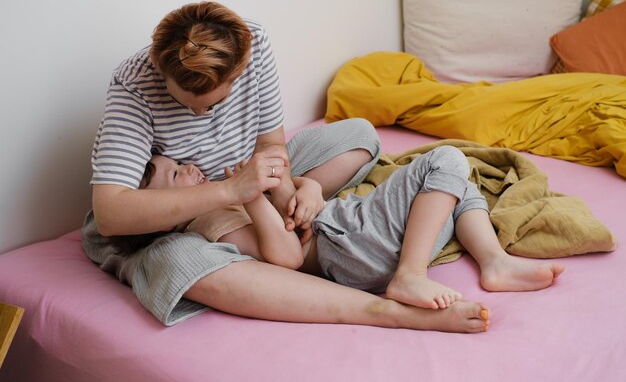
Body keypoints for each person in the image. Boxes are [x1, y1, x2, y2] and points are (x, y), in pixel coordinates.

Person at [82, 0, 489, 332]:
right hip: (185, 210)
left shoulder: (252, 44)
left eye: (217, 101)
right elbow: (112, 216)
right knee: (177, 263)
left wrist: (296, 188)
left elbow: (272, 148)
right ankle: (380, 311)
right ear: (159, 66)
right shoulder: (133, 88)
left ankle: (481, 257)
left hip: (250, 182)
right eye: (190, 101)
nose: (205, 114)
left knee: (358, 133)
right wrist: (231, 191)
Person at [140, 146, 564, 314]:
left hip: (345, 231)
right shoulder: (209, 221)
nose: (189, 169)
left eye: (179, 162)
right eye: (174, 176)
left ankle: (494, 262)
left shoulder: (224, 199)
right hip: (345, 246)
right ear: (165, 213)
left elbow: (293, 209)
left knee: (456, 185)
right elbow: (286, 256)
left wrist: (303, 187)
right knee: (446, 160)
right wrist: (250, 194)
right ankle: (410, 275)